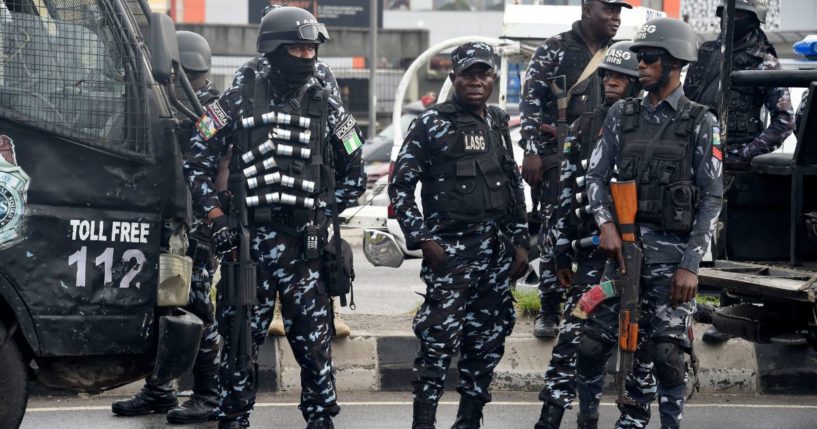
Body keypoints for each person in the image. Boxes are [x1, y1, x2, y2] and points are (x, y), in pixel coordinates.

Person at [183, 6, 366, 428]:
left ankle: (320, 418)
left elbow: (354, 165)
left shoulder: (325, 98)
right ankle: (234, 417)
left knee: (315, 344)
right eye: (296, 48)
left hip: (307, 246)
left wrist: (324, 210)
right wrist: (217, 217)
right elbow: (196, 157)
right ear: (273, 49)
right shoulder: (240, 94)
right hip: (249, 242)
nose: (305, 57)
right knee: (240, 341)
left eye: (311, 49)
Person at [576, 18, 723, 429]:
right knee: (591, 345)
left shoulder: (699, 122)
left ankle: (667, 422)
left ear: (675, 64)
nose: (640, 65)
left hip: (672, 256)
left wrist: (691, 264)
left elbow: (712, 197)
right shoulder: (622, 114)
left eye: (649, 57)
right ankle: (588, 418)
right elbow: (595, 177)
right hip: (624, 251)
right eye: (639, 56)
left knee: (667, 357)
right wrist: (605, 222)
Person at [389, 42, 530, 429]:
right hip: (450, 252)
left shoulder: (499, 122)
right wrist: (423, 240)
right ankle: (424, 422)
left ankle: (469, 419)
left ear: (493, 79)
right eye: (468, 73)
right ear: (453, 77)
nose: (476, 81)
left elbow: (513, 186)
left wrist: (521, 242)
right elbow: (400, 186)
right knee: (437, 340)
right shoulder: (432, 123)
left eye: (484, 74)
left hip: (495, 253)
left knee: (487, 341)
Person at [111, 30, 223, 425]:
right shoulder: (171, 103)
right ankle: (160, 389)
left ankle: (210, 394)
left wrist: (208, 228)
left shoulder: (208, 111)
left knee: (195, 308)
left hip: (195, 228)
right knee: (164, 307)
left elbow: (218, 174)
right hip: (167, 224)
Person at [534, 40, 643, 429]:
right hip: (592, 254)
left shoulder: (645, 123)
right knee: (574, 339)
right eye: (609, 75)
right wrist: (561, 254)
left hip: (637, 258)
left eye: (622, 77)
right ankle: (556, 418)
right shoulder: (583, 124)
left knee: (638, 349)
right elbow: (566, 192)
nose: (613, 82)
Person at [683, 0, 794, 344]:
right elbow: (686, 99)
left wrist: (745, 154)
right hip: (694, 157)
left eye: (739, 16)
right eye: (727, 14)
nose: (730, 21)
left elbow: (784, 121)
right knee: (681, 231)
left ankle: (728, 310)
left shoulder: (764, 59)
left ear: (751, 20)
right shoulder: (705, 54)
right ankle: (683, 307)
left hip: (734, 163)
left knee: (728, 240)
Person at [519, 0, 631, 339]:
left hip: (609, 156)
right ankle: (550, 307)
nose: (616, 17)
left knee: (603, 230)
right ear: (587, 10)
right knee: (558, 227)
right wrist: (532, 150)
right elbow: (531, 102)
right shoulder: (554, 48)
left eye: (619, 11)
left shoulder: (621, 53)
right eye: (609, 10)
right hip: (560, 156)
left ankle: (595, 302)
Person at [260, 3, 352, 340]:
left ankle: (332, 308)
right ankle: (274, 310)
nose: (304, 53)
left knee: (321, 253)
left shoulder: (321, 72)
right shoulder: (252, 76)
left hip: (310, 182)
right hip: (267, 188)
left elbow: (344, 132)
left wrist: (330, 205)